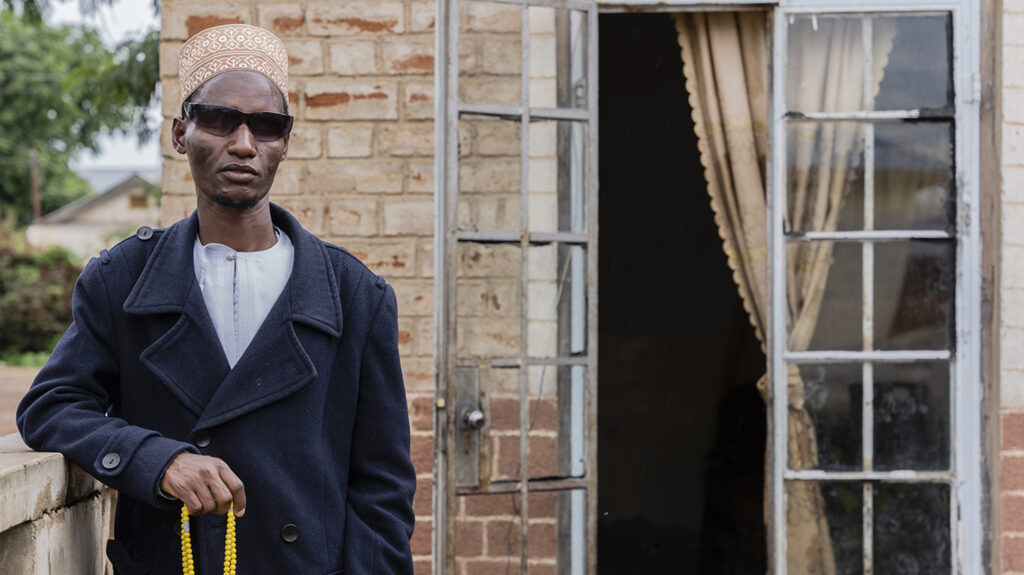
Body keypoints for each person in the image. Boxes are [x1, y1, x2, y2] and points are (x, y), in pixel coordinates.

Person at [16, 24, 415, 575]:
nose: (245, 144)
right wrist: (157, 459)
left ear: (285, 142)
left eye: (267, 126)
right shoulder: (122, 279)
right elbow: (52, 406)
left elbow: (382, 489)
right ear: (182, 133)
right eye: (221, 120)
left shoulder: (355, 294)